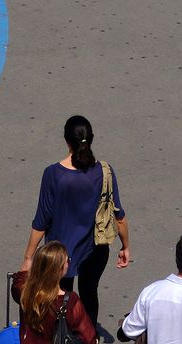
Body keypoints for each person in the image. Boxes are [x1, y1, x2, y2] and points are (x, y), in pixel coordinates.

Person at [21, 115, 131, 332]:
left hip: (60, 254)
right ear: (91, 139)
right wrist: (125, 246)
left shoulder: (53, 174)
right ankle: (89, 340)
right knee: (89, 292)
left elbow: (41, 221)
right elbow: (118, 214)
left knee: (59, 297)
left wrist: (28, 258)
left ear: (66, 140)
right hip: (95, 250)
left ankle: (60, 343)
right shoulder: (104, 171)